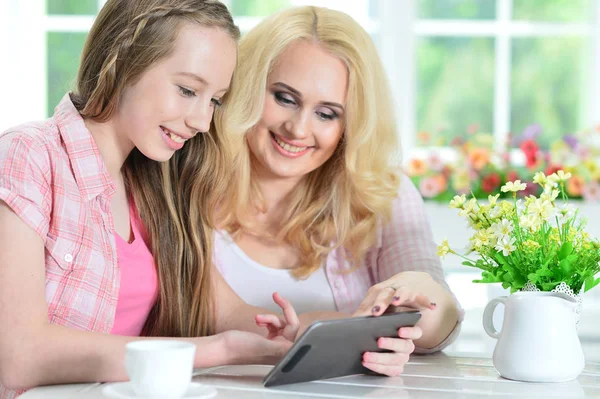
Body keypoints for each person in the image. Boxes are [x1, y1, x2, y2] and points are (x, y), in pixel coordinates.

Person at [0, 1, 296, 397]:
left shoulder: (158, 187)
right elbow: (20, 357)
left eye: (214, 100)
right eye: (187, 90)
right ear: (124, 60)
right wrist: (215, 349)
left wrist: (335, 338)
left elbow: (229, 314)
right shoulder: (30, 156)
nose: (201, 121)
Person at [213, 5, 463, 377]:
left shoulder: (383, 193)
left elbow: (440, 323)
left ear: (350, 125)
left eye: (326, 114)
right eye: (284, 97)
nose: (298, 129)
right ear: (249, 87)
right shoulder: (190, 184)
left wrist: (419, 297)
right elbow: (214, 317)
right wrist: (358, 332)